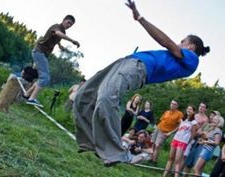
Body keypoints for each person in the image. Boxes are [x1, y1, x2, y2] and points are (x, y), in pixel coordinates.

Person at [73, 0, 210, 167]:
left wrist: (140, 18)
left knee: (106, 98)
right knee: (84, 95)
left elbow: (166, 42)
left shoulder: (192, 58)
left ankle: (116, 153)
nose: (179, 43)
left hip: (138, 67)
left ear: (191, 46)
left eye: (183, 41)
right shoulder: (181, 56)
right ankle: (90, 141)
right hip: (125, 62)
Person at [24, 15, 80, 107]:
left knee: (41, 76)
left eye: (71, 25)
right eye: (68, 22)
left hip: (42, 54)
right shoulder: (57, 27)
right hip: (39, 52)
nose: (69, 25)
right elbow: (58, 33)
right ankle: (32, 99)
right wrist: (72, 41)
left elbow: (57, 37)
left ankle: (27, 95)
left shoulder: (62, 31)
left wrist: (59, 45)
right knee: (45, 78)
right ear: (64, 20)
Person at [163, 105, 197, 177]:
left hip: (183, 142)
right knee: (170, 158)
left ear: (193, 111)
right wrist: (171, 132)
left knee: (177, 161)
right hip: (176, 139)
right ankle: (164, 175)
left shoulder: (194, 122)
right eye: (188, 109)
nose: (188, 110)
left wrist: (188, 143)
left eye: (190, 109)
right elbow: (178, 127)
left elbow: (193, 134)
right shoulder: (183, 119)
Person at [150, 100, 183, 165]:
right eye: (171, 103)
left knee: (158, 145)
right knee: (153, 144)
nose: (172, 105)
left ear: (177, 106)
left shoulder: (179, 114)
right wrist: (156, 128)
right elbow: (161, 120)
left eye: (174, 104)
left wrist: (171, 132)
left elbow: (180, 125)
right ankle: (150, 159)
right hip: (158, 128)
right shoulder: (166, 112)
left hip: (165, 132)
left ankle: (154, 161)